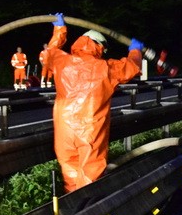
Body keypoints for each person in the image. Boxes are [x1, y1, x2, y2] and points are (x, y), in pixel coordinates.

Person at [44, 13, 143, 192]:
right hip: (89, 129)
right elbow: (131, 67)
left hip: (64, 128)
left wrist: (59, 31)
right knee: (90, 173)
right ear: (99, 47)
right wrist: (135, 51)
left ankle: (71, 207)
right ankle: (87, 211)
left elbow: (47, 54)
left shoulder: (62, 62)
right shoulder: (105, 68)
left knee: (70, 171)